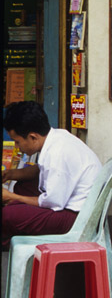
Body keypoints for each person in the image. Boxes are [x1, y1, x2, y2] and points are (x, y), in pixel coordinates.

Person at [2, 101, 101, 245]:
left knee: (7, 215)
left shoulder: (57, 154)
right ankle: (18, 231)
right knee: (22, 187)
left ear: (33, 137)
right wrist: (10, 174)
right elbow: (40, 169)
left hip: (76, 218)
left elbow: (52, 202)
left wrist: (13, 197)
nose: (17, 147)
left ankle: (15, 242)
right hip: (72, 203)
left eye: (17, 142)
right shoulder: (56, 136)